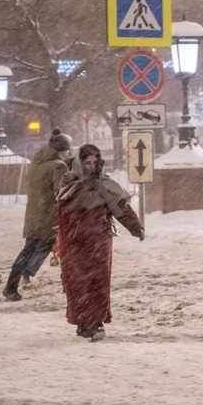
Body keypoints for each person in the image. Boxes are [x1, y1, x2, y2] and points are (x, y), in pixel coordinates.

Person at [56, 144, 144, 341]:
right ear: (80, 163)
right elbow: (61, 214)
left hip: (98, 242)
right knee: (77, 283)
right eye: (87, 163)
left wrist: (136, 227)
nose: (91, 166)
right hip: (75, 243)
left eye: (95, 162)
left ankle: (94, 322)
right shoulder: (70, 183)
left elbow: (120, 208)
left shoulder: (104, 184)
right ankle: (83, 322)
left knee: (98, 282)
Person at [3, 128, 72, 302]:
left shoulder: (35, 164)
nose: (67, 153)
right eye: (66, 150)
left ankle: (23, 274)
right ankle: (12, 286)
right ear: (61, 150)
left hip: (34, 213)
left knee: (36, 246)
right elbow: (60, 192)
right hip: (48, 215)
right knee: (33, 249)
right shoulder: (59, 165)